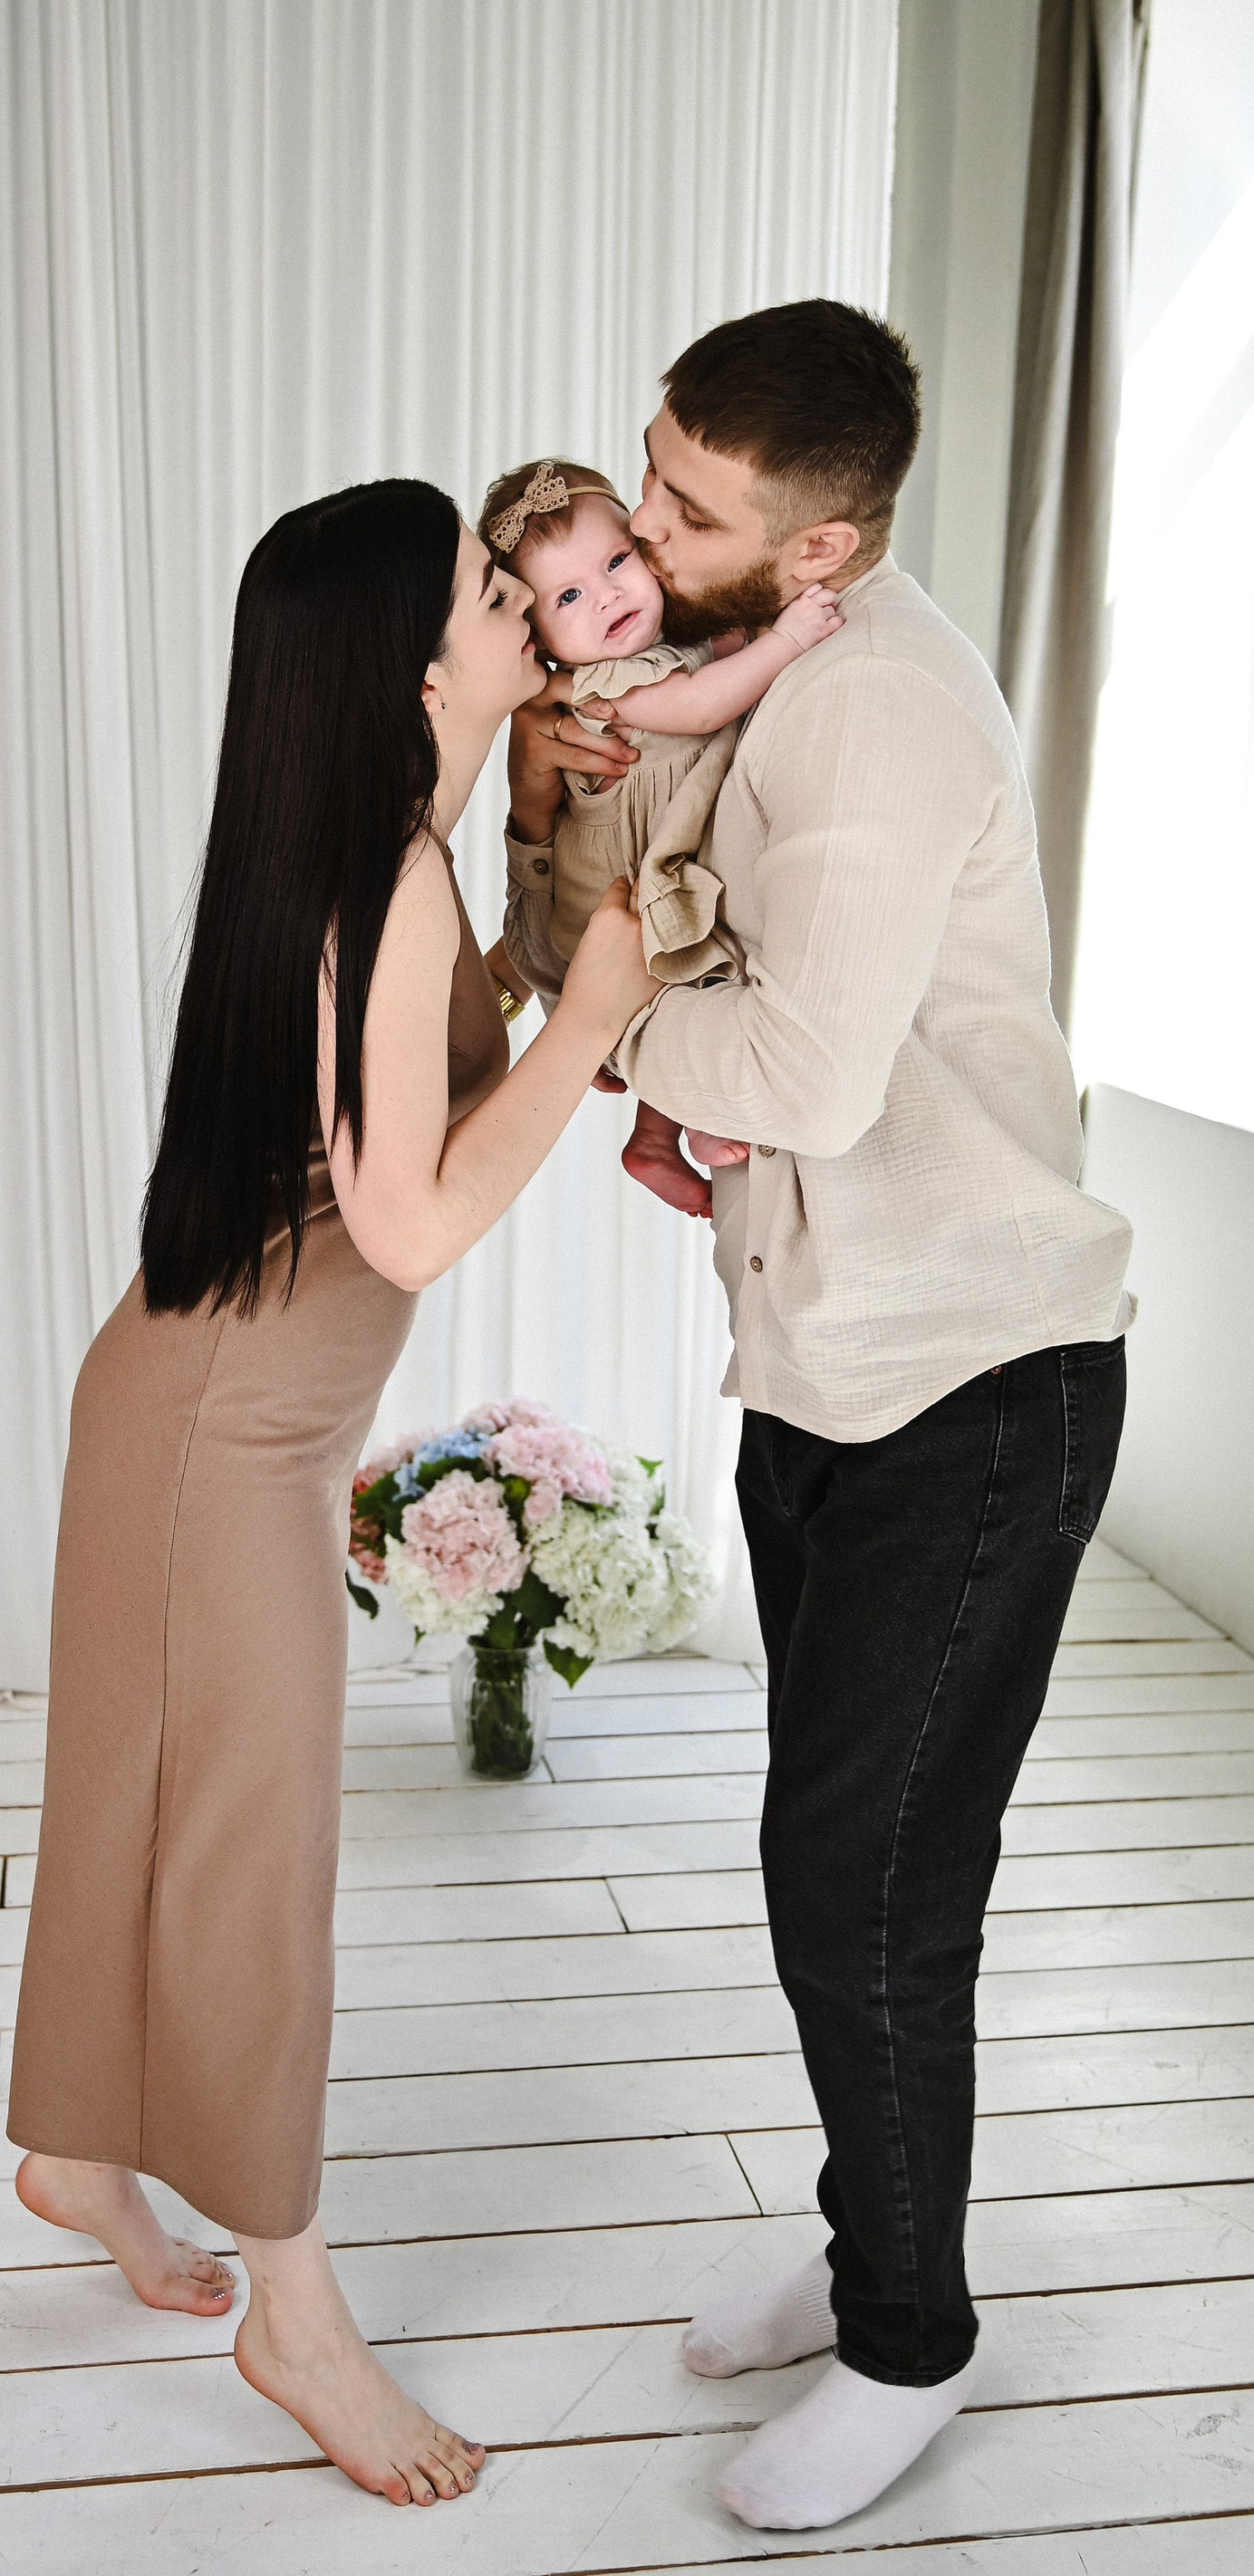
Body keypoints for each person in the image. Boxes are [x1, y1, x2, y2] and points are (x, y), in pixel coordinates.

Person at [506, 300, 1134, 2534]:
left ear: (823, 544)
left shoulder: (869, 709)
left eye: (687, 506)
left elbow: (791, 1070)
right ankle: (880, 2225)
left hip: (974, 1384)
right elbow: (665, 929)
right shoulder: (752, 659)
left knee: (864, 1881)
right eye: (650, 464)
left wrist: (585, 1038)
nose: (638, 523)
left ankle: (910, 2337)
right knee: (838, 1855)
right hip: (834, 1365)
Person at [6, 477, 658, 2508]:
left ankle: (75, 2151)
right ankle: (294, 2310)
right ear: (414, 660)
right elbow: (412, 1217)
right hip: (220, 1442)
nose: (523, 601)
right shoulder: (383, 876)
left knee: (143, 1797)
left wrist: (533, 837)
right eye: (486, 587)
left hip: (182, 1403)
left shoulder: (389, 851)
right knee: (250, 1854)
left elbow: (400, 1100)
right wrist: (595, 1010)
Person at [483, 453, 839, 1217]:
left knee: (681, 979)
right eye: (569, 596)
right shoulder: (599, 686)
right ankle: (699, 1117)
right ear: (540, 637)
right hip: (606, 905)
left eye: (616, 561)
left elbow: (710, 667)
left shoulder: (654, 650)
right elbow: (703, 705)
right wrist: (786, 640)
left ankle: (652, 1140)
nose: (607, 595)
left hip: (642, 875)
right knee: (690, 979)